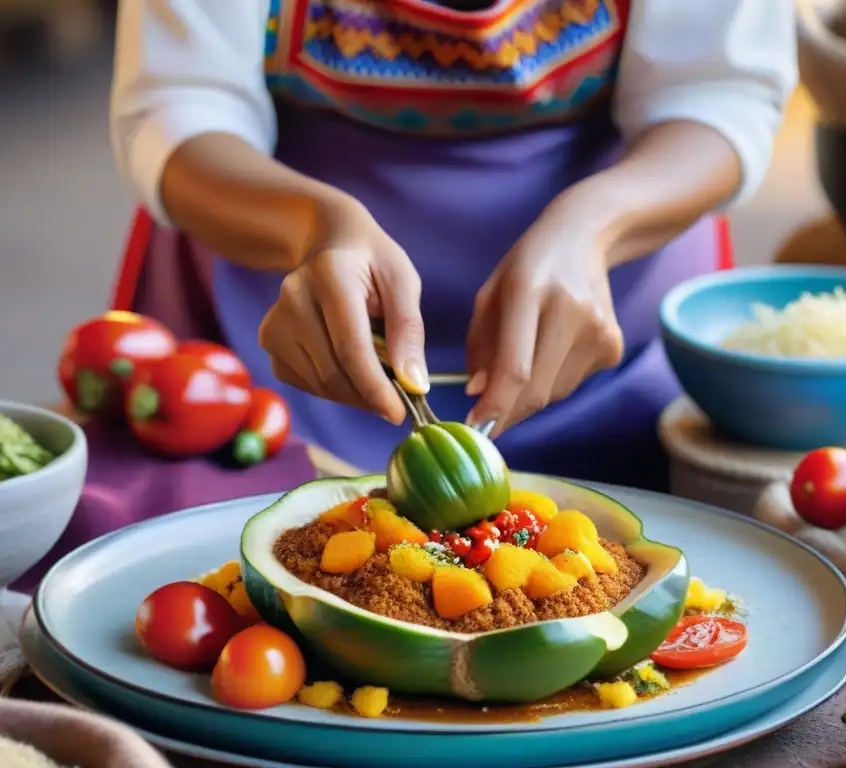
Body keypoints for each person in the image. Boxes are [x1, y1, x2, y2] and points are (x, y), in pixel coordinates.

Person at [109, 0, 797, 491]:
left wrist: (596, 227)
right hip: (269, 299)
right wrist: (311, 228)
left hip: (607, 293)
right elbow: (181, 101)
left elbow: (718, 92)